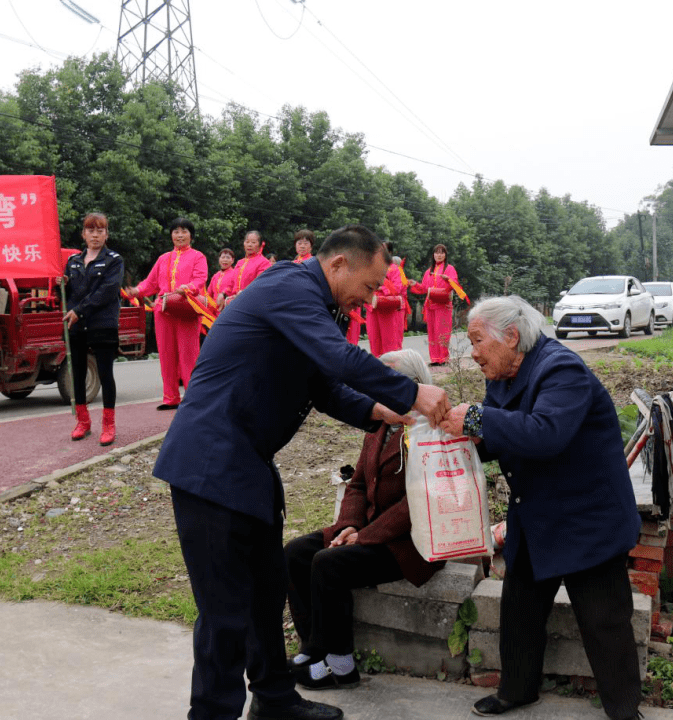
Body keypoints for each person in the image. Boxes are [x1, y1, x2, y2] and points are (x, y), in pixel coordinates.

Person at [152, 224, 450, 720]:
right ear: (339, 265)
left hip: (249, 466)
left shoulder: (320, 305)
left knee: (267, 594)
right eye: (371, 285)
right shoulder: (287, 287)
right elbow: (340, 358)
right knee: (225, 612)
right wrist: (413, 392)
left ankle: (273, 699)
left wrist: (385, 412)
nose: (369, 298)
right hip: (209, 466)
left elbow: (323, 385)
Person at [441, 296, 642, 720]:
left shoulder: (560, 370)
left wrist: (475, 421)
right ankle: (517, 690)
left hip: (588, 516)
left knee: (604, 619)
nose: (472, 351)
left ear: (510, 336)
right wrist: (462, 437)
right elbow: (501, 436)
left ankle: (624, 710)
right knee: (521, 608)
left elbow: (545, 434)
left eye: (477, 340)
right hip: (536, 512)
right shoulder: (502, 376)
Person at [284, 348, 443, 691]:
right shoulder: (381, 423)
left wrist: (366, 535)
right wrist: (349, 526)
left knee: (330, 563)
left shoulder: (428, 431)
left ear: (413, 386)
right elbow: (357, 482)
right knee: (296, 551)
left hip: (406, 542)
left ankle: (335, 662)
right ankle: (315, 652)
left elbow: (419, 499)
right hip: (369, 529)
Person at [125, 217, 208, 410]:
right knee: (166, 354)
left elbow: (200, 279)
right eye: (176, 231)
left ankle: (192, 397)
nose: (180, 235)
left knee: (189, 355)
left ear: (191, 236)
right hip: (163, 310)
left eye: (184, 231)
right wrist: (136, 290)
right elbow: (150, 283)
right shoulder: (163, 258)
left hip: (186, 309)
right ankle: (170, 397)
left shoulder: (198, 257)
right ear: (171, 235)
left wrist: (189, 287)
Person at [62, 213, 124, 446]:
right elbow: (69, 295)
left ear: (106, 234)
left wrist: (80, 310)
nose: (95, 235)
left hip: (103, 323)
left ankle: (108, 424)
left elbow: (107, 291)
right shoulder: (73, 262)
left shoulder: (114, 260)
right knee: (77, 373)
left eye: (100, 230)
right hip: (76, 325)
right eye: (91, 230)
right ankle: (83, 422)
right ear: (83, 234)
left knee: (105, 373)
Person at [409, 243, 457, 365]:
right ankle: (435, 358)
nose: (439, 255)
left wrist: (448, 279)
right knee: (432, 332)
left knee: (443, 331)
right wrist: (414, 284)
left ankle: (443, 358)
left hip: (443, 305)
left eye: (442, 252)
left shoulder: (449, 269)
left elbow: (455, 285)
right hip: (431, 305)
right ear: (433, 255)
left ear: (445, 255)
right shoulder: (428, 271)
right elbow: (424, 288)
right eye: (437, 252)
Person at [365, 244, 405, 357]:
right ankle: (378, 368)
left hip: (387, 309)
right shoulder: (370, 268)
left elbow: (397, 289)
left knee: (390, 341)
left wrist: (381, 287)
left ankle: (391, 369)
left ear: (390, 253)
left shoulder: (394, 269)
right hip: (372, 307)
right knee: (374, 339)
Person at [223, 230, 271, 302]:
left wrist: (244, 293)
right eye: (247, 242)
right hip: (235, 301)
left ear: (260, 245)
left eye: (253, 242)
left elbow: (260, 284)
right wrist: (223, 294)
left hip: (252, 302)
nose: (249, 245)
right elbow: (231, 283)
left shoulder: (264, 263)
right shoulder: (240, 263)